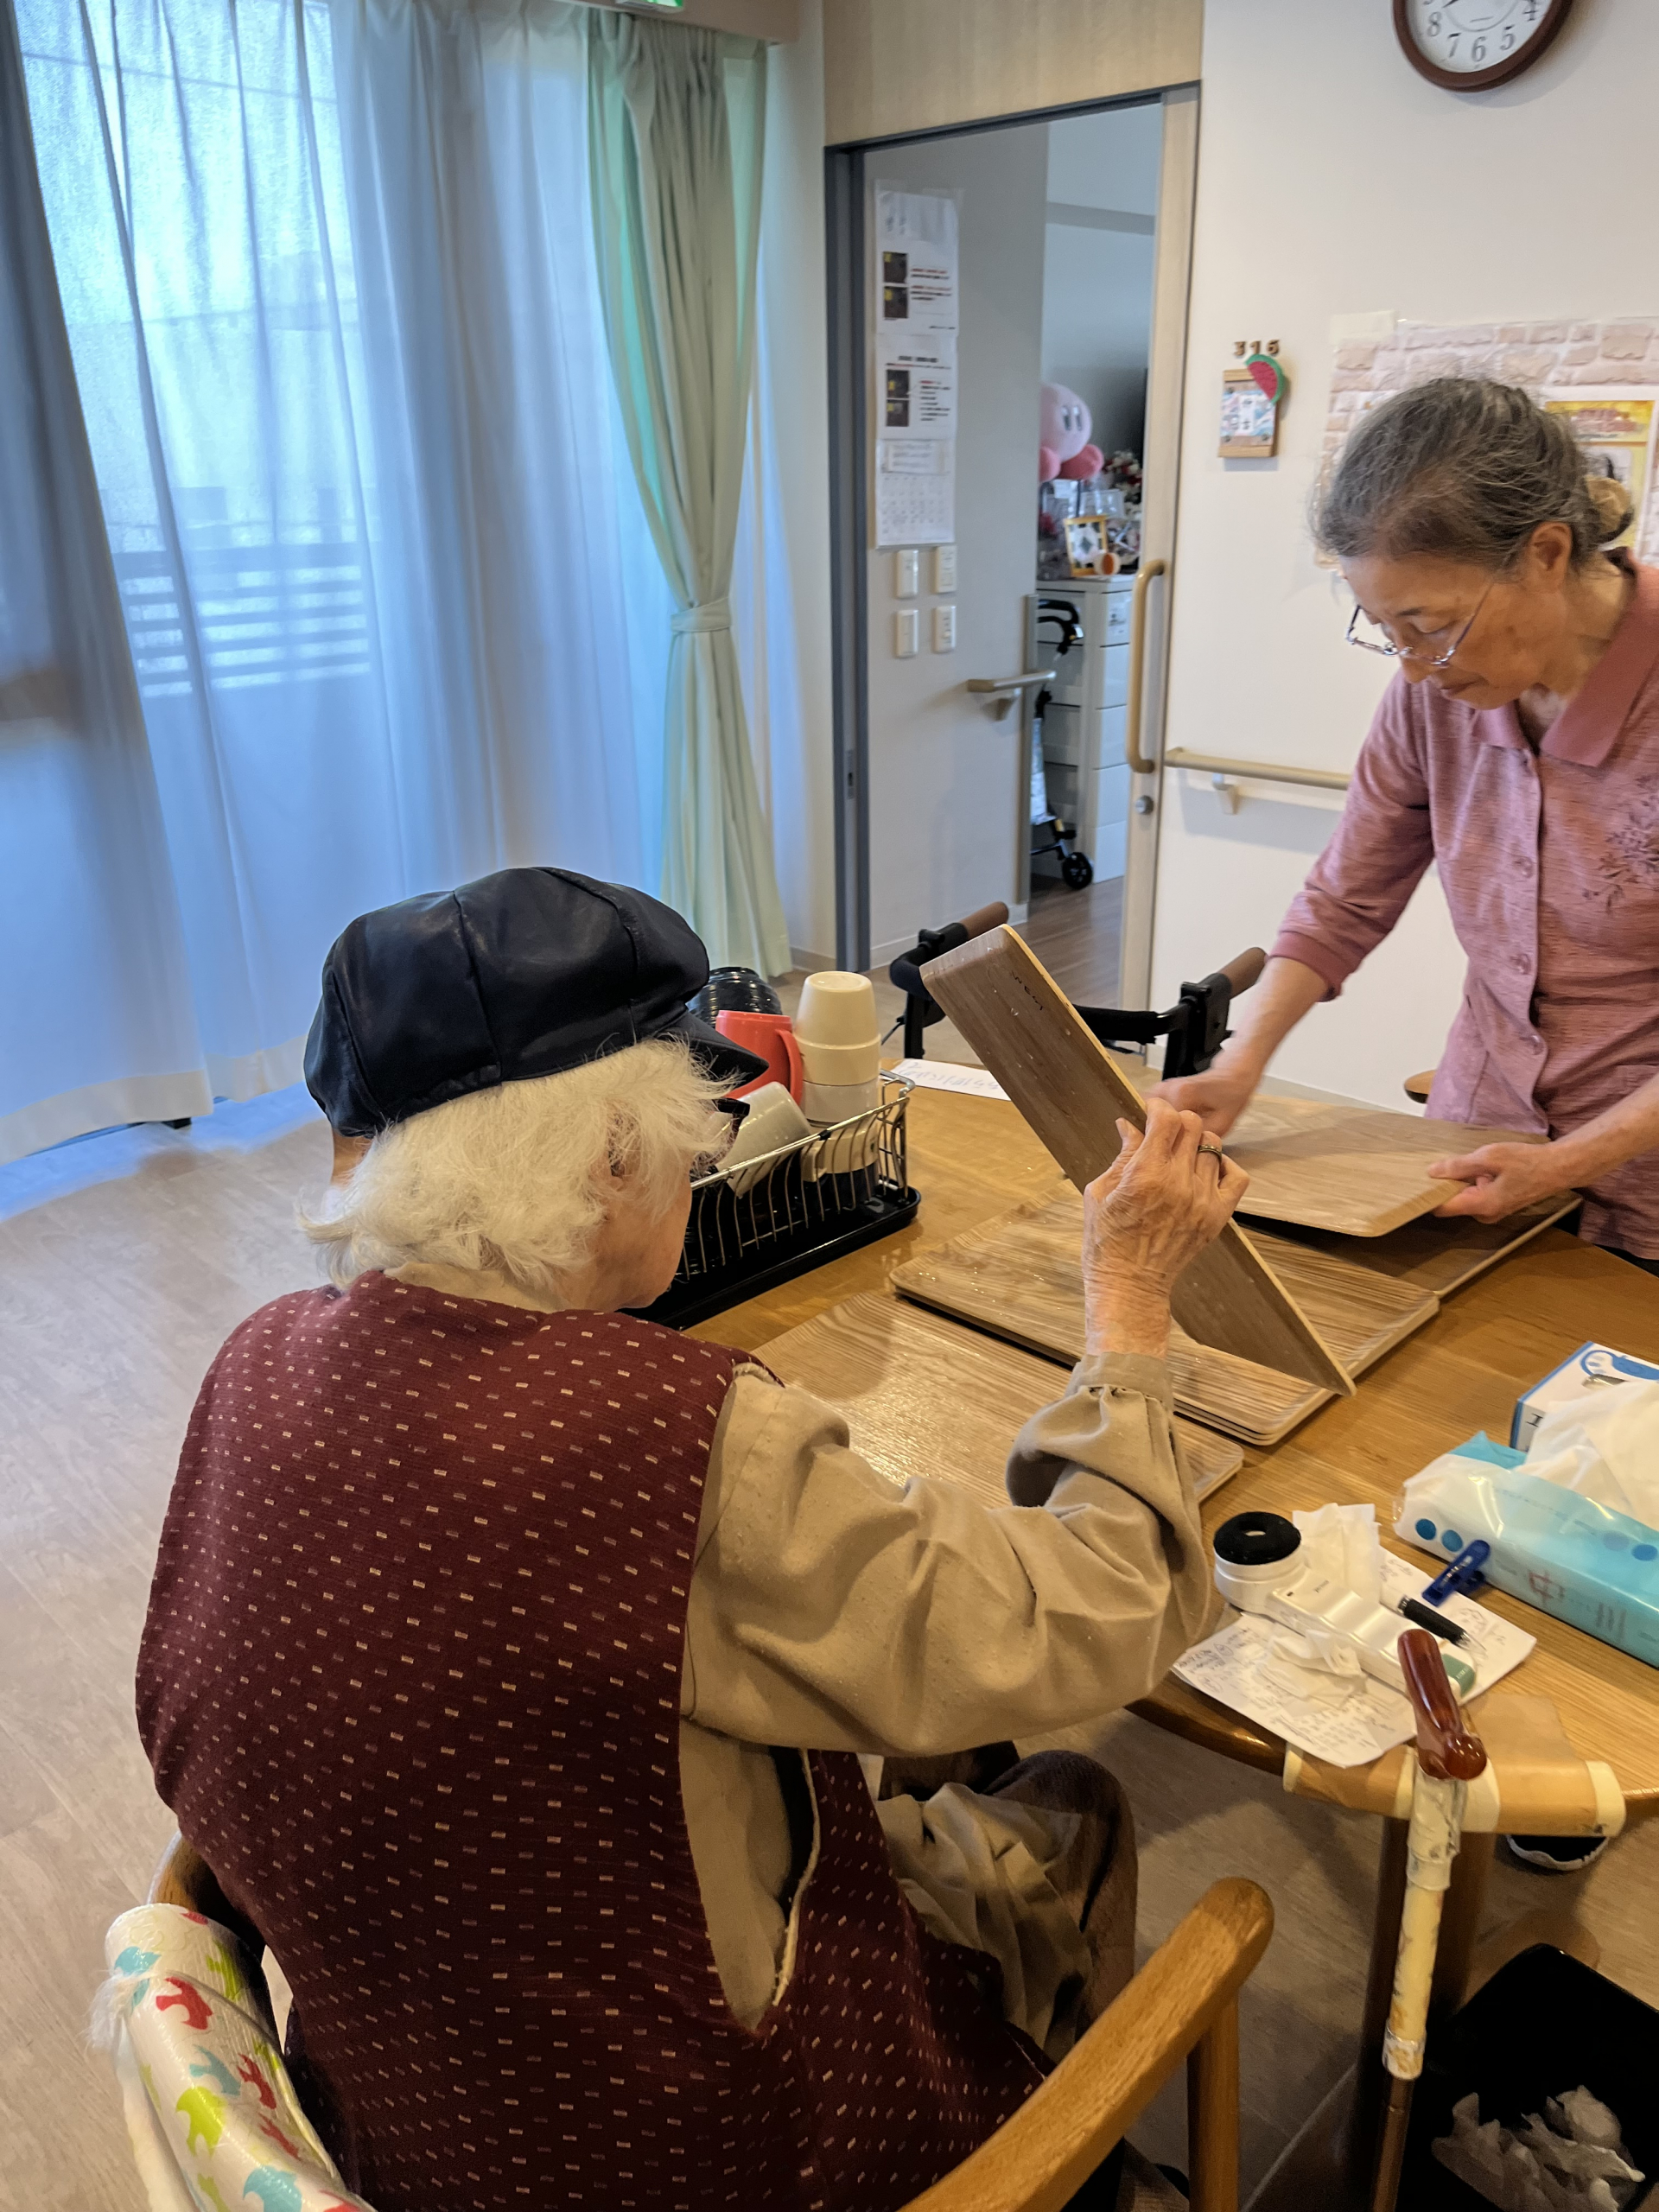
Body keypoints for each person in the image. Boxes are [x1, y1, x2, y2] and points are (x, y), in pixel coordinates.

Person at [137, 866, 1244, 2212]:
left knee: (904, 1742)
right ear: (612, 1158)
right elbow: (1105, 1604)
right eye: (694, 1128)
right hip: (718, 2158)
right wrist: (1127, 1310)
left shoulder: (254, 1368)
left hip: (412, 2128)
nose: (710, 1158)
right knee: (1069, 1802)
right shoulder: (667, 1441)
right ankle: (1080, 2169)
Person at [1157, 375, 1659, 1871]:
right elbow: (1347, 895)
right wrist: (1245, 1064)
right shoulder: (1440, 698)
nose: (1416, 663)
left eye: (1432, 624)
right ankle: (1492, 1720)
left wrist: (1580, 1159)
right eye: (1385, 628)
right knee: (1475, 1468)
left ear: (1550, 555)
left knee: (1622, 1498)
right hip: (1494, 1138)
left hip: (1634, 1168)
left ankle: (1583, 1777)